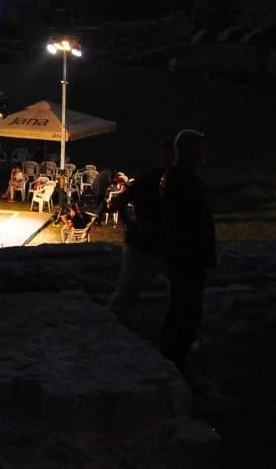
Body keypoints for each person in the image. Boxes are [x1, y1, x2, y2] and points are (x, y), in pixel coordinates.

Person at [159, 129, 216, 385]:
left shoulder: (178, 178)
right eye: (200, 149)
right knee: (187, 311)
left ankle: (170, 358)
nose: (204, 153)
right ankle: (177, 364)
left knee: (179, 308)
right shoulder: (182, 181)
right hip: (186, 256)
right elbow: (190, 222)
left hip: (183, 255)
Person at [107, 137, 173, 317]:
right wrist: (132, 225)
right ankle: (113, 322)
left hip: (165, 243)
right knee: (128, 289)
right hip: (144, 244)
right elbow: (119, 201)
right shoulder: (149, 179)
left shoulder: (181, 180)